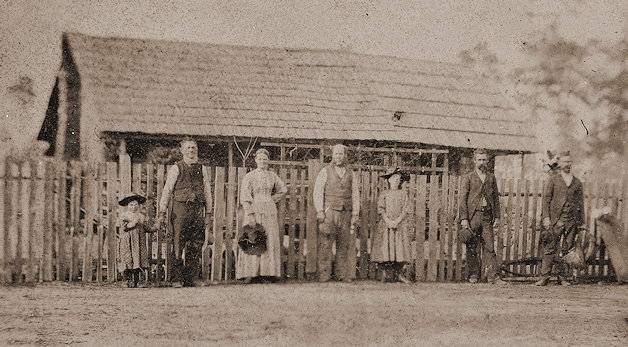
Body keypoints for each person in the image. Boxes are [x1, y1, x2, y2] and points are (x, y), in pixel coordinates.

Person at [157, 137, 212, 287]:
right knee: (177, 243)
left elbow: (207, 190)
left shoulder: (202, 169)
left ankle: (191, 278)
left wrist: (208, 212)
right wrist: (162, 212)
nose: (191, 150)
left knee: (196, 244)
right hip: (180, 211)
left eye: (193, 147)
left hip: (197, 211)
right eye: (188, 147)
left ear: (197, 150)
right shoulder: (177, 168)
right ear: (182, 150)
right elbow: (167, 191)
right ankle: (176, 279)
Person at [236, 148, 287, 283]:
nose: (263, 161)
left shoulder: (272, 176)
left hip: (269, 210)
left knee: (268, 239)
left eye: (265, 159)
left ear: (268, 161)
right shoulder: (250, 176)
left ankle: (267, 273)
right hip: (254, 209)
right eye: (260, 159)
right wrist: (250, 214)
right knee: (254, 238)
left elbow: (283, 189)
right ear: (256, 160)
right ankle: (251, 273)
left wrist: (271, 199)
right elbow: (245, 196)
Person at [536, 152, 585, 286]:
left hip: (571, 221)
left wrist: (581, 223)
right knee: (550, 247)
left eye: (569, 162)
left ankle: (562, 278)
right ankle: (544, 277)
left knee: (567, 249)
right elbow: (546, 200)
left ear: (571, 163)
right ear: (560, 163)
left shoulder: (577, 182)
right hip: (555, 220)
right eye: (564, 162)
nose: (567, 164)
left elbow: (581, 204)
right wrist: (546, 217)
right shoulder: (553, 179)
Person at [313, 144, 360, 282]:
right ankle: (324, 275)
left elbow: (355, 194)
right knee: (326, 243)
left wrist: (355, 213)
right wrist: (320, 211)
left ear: (345, 156)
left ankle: (341, 274)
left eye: (341, 154)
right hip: (329, 212)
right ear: (332, 156)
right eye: (336, 154)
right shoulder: (325, 171)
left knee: (343, 244)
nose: (339, 157)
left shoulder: (351, 173)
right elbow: (318, 192)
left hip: (345, 213)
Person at [459, 149, 505, 285]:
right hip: (473, 216)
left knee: (489, 247)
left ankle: (493, 277)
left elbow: (495, 198)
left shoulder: (491, 177)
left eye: (484, 159)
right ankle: (473, 275)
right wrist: (464, 219)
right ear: (474, 161)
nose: (482, 162)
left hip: (487, 217)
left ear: (488, 160)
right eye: (479, 159)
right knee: (472, 247)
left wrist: (497, 216)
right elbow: (462, 200)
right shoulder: (468, 177)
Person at [371, 167, 413, 284]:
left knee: (400, 249)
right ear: (388, 181)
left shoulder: (403, 194)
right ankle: (385, 273)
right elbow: (381, 209)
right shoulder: (384, 194)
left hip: (399, 226)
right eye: (393, 179)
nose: (395, 181)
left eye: (398, 179)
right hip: (386, 225)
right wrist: (388, 221)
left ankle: (400, 274)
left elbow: (405, 210)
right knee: (385, 247)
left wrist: (397, 221)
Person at [117, 193, 150, 288]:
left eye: (136, 204)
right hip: (127, 241)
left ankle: (137, 281)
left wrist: (155, 227)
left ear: (139, 205)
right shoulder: (124, 215)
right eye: (131, 204)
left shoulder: (142, 216)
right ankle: (126, 280)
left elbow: (146, 228)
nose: (133, 207)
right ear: (127, 205)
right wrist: (134, 221)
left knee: (138, 259)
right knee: (128, 259)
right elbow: (125, 227)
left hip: (139, 241)